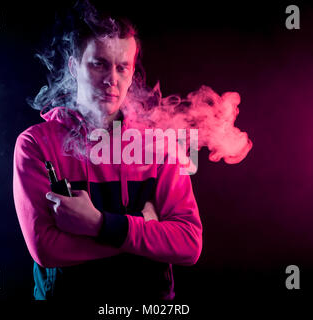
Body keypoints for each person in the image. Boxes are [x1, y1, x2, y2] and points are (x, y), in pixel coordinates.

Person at [13, 1, 202, 302]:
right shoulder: (34, 144)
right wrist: (142, 226)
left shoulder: (164, 143)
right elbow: (46, 250)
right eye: (99, 63)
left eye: (122, 66)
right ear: (74, 66)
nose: (112, 79)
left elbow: (189, 245)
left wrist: (99, 225)